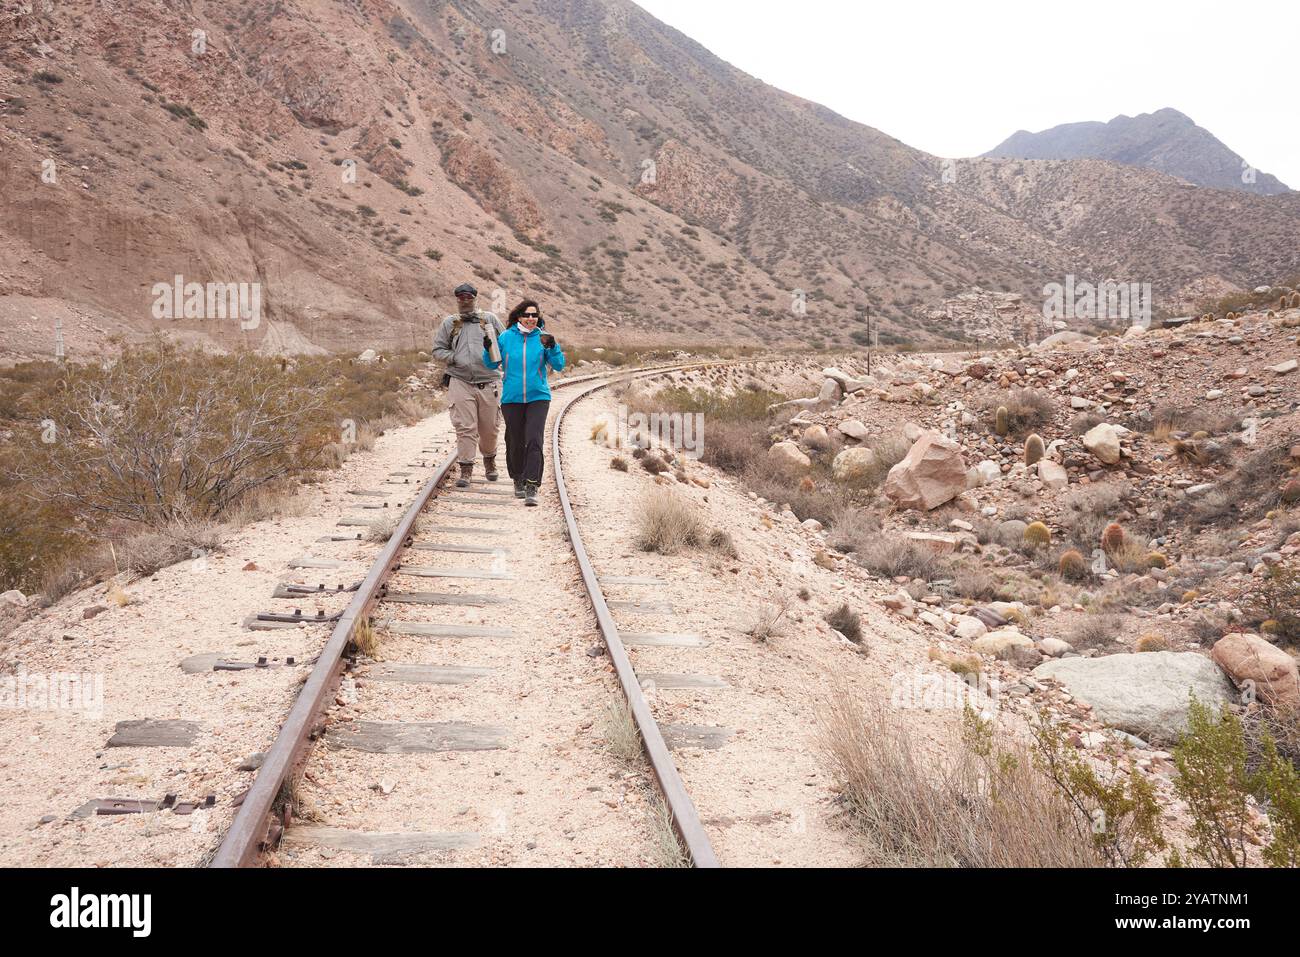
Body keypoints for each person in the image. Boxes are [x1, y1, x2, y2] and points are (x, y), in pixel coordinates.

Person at [483, 299, 565, 506]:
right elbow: (491, 363)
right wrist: (488, 348)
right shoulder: (506, 337)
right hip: (512, 398)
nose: (531, 319)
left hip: (539, 397)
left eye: (534, 315)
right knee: (514, 439)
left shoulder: (544, 338)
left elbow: (558, 365)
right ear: (519, 317)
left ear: (538, 317)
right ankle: (517, 478)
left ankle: (532, 485)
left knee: (534, 439)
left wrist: (553, 347)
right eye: (527, 315)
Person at [432, 282, 505, 488]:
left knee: (490, 428)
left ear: (475, 298)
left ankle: (490, 460)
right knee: (465, 427)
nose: (465, 301)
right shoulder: (450, 323)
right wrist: (455, 357)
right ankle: (466, 469)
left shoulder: (489, 319)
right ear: (457, 300)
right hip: (460, 380)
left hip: (489, 380)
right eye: (461, 298)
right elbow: (438, 350)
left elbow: (506, 343)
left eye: (468, 298)